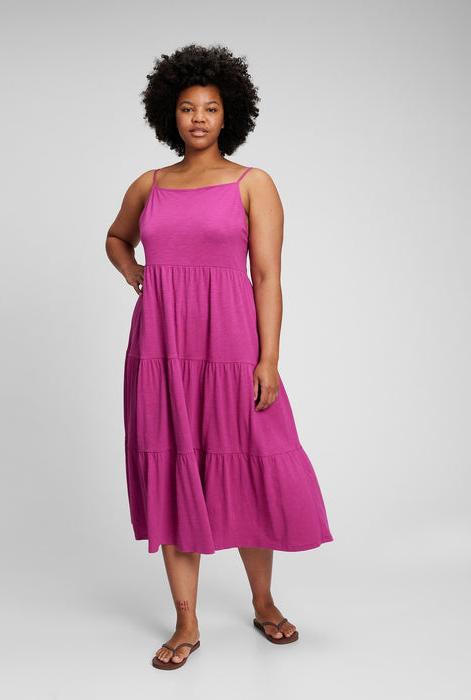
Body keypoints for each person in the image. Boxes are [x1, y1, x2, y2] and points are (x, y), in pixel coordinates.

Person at [105, 44, 333, 670]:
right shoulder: (149, 184)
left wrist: (269, 359)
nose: (198, 118)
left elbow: (268, 276)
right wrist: (136, 274)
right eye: (187, 108)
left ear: (229, 115)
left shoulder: (253, 183)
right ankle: (186, 622)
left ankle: (263, 601)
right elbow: (117, 238)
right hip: (162, 350)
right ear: (170, 115)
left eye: (210, 108)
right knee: (176, 470)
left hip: (232, 347)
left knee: (250, 466)